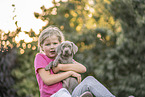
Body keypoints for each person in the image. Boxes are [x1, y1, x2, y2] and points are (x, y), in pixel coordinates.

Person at [34, 26, 115, 97]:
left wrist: (60, 67)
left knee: (89, 80)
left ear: (60, 45)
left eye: (55, 43)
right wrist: (70, 73)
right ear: (42, 46)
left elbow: (82, 69)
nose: (52, 47)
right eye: (47, 44)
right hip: (54, 95)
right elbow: (47, 80)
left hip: (69, 94)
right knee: (62, 92)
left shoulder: (64, 58)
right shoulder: (40, 57)